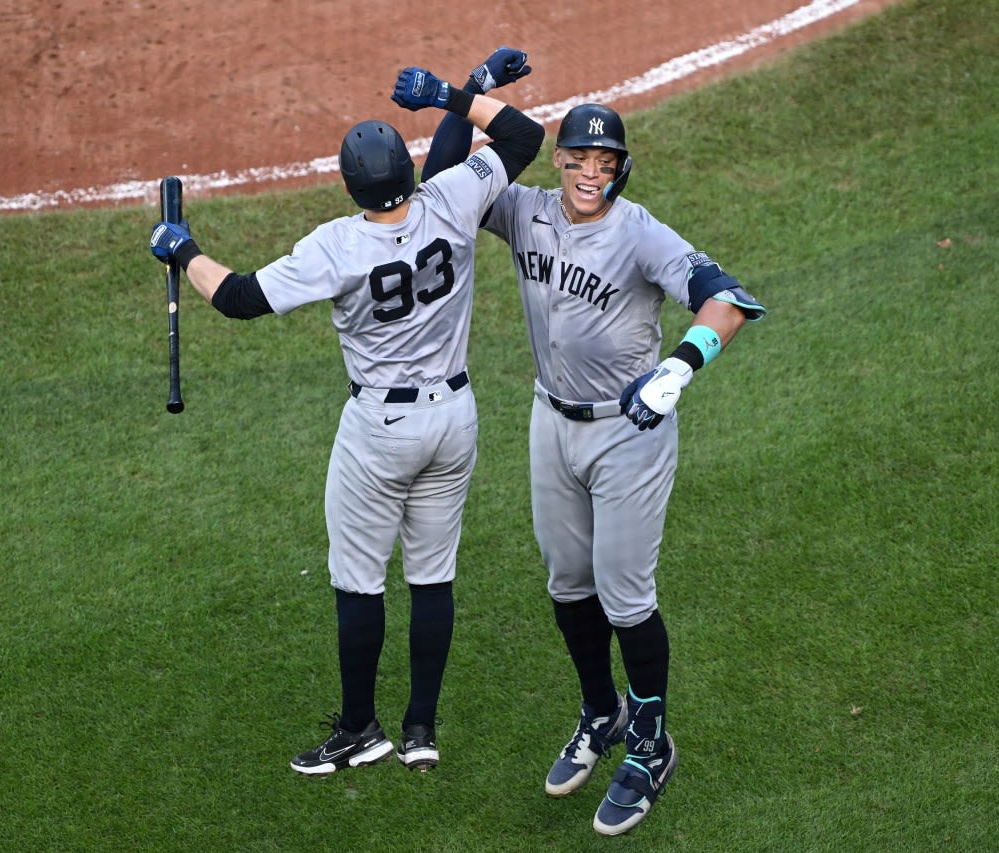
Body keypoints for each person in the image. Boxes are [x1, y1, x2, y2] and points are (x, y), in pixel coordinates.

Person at [148, 56, 543, 776]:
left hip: (380, 433)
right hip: (455, 418)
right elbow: (520, 141)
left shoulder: (336, 246)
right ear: (408, 169)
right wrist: (467, 89)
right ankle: (420, 727)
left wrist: (184, 250)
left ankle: (361, 728)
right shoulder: (452, 201)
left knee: (360, 580)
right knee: (433, 576)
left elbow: (237, 297)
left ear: (351, 184)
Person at [421, 60, 765, 834]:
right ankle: (601, 713)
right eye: (578, 158)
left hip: (627, 432)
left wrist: (680, 365)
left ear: (621, 168)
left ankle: (651, 743)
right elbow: (441, 179)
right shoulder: (524, 209)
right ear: (561, 160)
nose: (590, 172)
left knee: (625, 593)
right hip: (551, 419)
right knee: (568, 583)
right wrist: (468, 90)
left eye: (605, 162)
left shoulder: (639, 232)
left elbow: (730, 298)